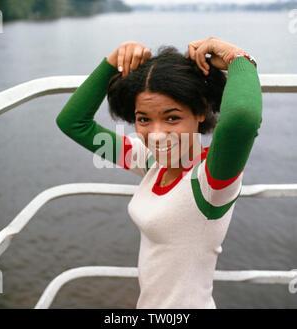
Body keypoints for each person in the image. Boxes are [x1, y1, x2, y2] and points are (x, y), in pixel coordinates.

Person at [56, 37, 262, 309]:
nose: (155, 135)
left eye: (172, 118)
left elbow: (242, 120)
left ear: (200, 111)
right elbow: (74, 123)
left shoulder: (210, 180)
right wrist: (112, 62)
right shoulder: (153, 161)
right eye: (143, 119)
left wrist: (238, 58)